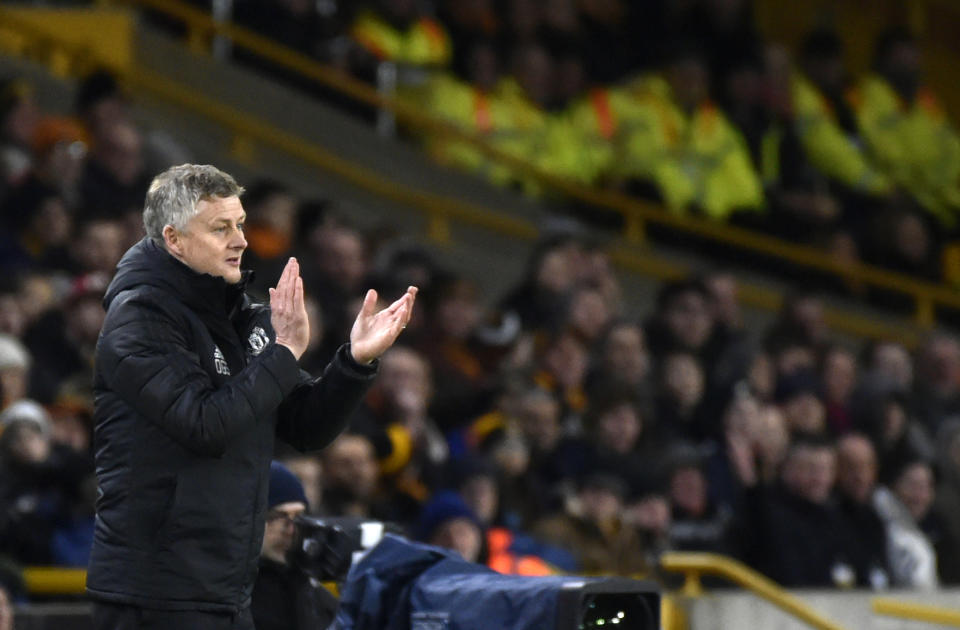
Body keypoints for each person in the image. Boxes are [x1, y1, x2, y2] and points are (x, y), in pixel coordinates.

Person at [86, 164, 417, 630]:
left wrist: (354, 362)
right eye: (220, 228)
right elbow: (205, 425)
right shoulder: (139, 319)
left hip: (228, 592)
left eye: (239, 223)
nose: (241, 239)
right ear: (174, 239)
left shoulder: (241, 315)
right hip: (156, 593)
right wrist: (283, 352)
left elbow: (305, 427)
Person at [251, 461, 338, 630]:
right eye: (275, 516)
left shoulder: (315, 594)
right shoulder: (229, 598)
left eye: (299, 517)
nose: (290, 529)